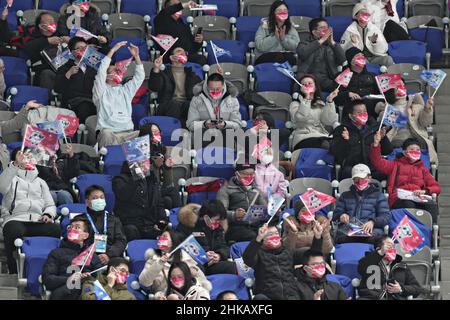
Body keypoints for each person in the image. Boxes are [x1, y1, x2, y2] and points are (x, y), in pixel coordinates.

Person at [0, 148, 60, 274]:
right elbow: (2, 187)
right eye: (22, 155)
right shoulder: (11, 177)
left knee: (55, 229)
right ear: (15, 158)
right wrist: (15, 165)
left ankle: (48, 268)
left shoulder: (41, 182)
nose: (27, 157)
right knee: (13, 230)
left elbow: (50, 204)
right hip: (15, 219)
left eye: (30, 155)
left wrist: (48, 214)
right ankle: (13, 269)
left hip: (37, 220)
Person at [371, 135, 441, 222]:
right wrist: (376, 145)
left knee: (432, 205)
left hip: (418, 198)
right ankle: (411, 232)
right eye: (411, 149)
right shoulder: (395, 165)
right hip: (398, 198)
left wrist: (424, 191)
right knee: (409, 204)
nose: (415, 152)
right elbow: (378, 163)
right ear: (404, 152)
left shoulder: (423, 170)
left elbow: (436, 188)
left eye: (418, 150)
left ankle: (430, 233)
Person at [93, 41, 144, 148]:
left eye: (116, 70)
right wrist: (112, 50)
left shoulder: (126, 90)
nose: (115, 72)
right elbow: (101, 72)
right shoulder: (100, 91)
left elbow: (140, 77)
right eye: (111, 71)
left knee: (144, 134)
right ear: (106, 76)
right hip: (109, 134)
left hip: (128, 133)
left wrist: (137, 57)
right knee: (106, 134)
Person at [42, 215, 102, 300]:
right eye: (70, 227)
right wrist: (69, 279)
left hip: (88, 290)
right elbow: (48, 280)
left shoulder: (91, 255)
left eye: (77, 227)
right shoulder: (56, 253)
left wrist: (89, 277)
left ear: (85, 235)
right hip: (65, 293)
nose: (72, 229)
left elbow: (101, 279)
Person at [330, 99, 393, 180]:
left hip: (371, 167)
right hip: (353, 168)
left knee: (386, 173)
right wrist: (345, 141)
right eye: (359, 112)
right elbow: (336, 154)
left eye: (364, 111)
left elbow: (387, 151)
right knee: (348, 173)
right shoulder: (342, 130)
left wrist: (383, 138)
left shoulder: (374, 128)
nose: (363, 114)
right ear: (351, 116)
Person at [139, 229, 211, 295]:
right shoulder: (153, 259)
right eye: (160, 236)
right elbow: (144, 282)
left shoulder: (186, 257)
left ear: (173, 241)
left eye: (164, 236)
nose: (160, 238)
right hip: (166, 295)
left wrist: (194, 271)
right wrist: (159, 263)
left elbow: (202, 281)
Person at [375, 88, 437, 164]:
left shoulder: (416, 106)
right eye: (397, 87)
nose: (401, 88)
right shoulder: (386, 109)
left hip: (416, 142)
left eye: (402, 85)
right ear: (391, 91)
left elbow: (425, 123)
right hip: (396, 145)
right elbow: (384, 128)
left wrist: (427, 109)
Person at [332, 164, 391, 243]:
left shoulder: (379, 196)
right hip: (349, 232)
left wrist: (373, 222)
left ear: (369, 178)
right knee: (341, 238)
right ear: (353, 180)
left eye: (363, 178)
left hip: (371, 232)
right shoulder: (345, 196)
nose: (359, 181)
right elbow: (336, 214)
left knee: (377, 241)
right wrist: (341, 215)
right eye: (356, 179)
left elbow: (386, 216)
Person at [112, 161, 168, 241]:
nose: (144, 165)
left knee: (168, 232)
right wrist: (136, 176)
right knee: (130, 231)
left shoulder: (151, 179)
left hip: (150, 223)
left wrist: (162, 221)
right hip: (130, 223)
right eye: (140, 163)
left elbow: (159, 204)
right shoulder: (119, 179)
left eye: (146, 162)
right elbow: (123, 194)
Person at [242, 222, 300, 300]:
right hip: (268, 297)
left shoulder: (286, 251)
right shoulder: (258, 253)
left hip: (291, 296)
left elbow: (313, 256)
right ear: (263, 238)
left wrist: (294, 232)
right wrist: (258, 239)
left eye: (276, 233)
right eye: (270, 234)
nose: (274, 236)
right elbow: (248, 259)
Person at [177, 200, 237, 275]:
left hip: (211, 263)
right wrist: (203, 255)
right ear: (206, 217)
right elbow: (180, 246)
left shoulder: (218, 228)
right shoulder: (188, 225)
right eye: (216, 220)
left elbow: (223, 246)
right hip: (193, 264)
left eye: (220, 220)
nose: (218, 223)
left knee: (234, 266)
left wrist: (219, 255)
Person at [357, 235, 424, 300]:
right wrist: (379, 254)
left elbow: (417, 289)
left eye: (394, 247)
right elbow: (361, 268)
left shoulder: (402, 266)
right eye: (389, 246)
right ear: (378, 249)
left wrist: (401, 289)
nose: (392, 249)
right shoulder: (367, 261)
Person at [149, 48, 202, 126]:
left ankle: (187, 133)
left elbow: (202, 89)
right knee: (174, 105)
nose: (182, 53)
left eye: (184, 52)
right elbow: (154, 87)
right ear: (172, 57)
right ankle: (173, 131)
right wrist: (156, 68)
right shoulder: (164, 73)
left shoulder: (192, 74)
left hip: (186, 104)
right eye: (179, 51)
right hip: (168, 104)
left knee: (189, 105)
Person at [216, 162, 267, 243]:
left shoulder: (256, 189)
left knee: (270, 233)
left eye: (252, 174)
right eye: (245, 174)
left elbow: (265, 208)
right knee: (254, 237)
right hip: (234, 226)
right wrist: (234, 214)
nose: (249, 177)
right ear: (237, 174)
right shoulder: (226, 190)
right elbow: (219, 212)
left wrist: (272, 210)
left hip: (255, 224)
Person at [54, 37, 98, 123]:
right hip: (74, 102)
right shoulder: (64, 68)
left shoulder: (94, 67)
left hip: (93, 100)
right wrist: (68, 74)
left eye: (85, 48)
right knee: (84, 108)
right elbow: (57, 88)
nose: (83, 50)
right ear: (71, 52)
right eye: (79, 48)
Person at [289, 74, 339, 150]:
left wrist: (329, 101)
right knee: (326, 146)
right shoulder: (295, 104)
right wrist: (307, 98)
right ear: (300, 88)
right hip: (303, 137)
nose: (307, 85)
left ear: (315, 87)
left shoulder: (320, 103)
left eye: (310, 83)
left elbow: (329, 121)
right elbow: (301, 119)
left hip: (321, 136)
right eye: (304, 84)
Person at [81, 185, 127, 265]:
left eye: (102, 197)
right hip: (88, 257)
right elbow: (78, 242)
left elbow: (121, 241)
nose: (99, 200)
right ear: (87, 202)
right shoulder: (80, 220)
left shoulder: (114, 219)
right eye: (95, 198)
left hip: (111, 257)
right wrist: (95, 257)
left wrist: (108, 255)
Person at [138, 123, 182, 209]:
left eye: (158, 132)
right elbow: (141, 179)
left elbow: (167, 183)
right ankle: (180, 216)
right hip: (142, 192)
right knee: (171, 194)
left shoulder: (160, 150)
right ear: (147, 134)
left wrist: (166, 167)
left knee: (168, 199)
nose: (158, 134)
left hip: (157, 190)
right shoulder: (137, 151)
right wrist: (154, 166)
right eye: (154, 132)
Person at [296, 18, 346, 92]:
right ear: (314, 32)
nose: (326, 30)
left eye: (327, 27)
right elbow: (302, 53)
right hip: (309, 79)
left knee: (345, 87)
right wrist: (321, 40)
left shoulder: (332, 45)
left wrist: (332, 43)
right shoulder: (304, 44)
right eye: (322, 28)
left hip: (328, 80)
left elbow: (343, 60)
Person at [187, 73, 242, 140]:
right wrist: (204, 124)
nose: (215, 92)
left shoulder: (233, 100)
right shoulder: (196, 100)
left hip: (226, 136)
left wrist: (225, 124)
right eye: (212, 89)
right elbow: (190, 125)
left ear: (223, 86)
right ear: (207, 87)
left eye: (218, 89)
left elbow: (238, 125)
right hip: (204, 136)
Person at [24, 12, 70, 90]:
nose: (52, 23)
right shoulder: (34, 37)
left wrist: (70, 42)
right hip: (44, 70)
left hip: (63, 70)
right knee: (47, 73)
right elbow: (28, 48)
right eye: (49, 21)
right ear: (41, 26)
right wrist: (47, 41)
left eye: (53, 21)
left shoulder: (60, 35)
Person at [153, 0, 206, 65]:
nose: (179, 7)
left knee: (202, 59)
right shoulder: (161, 19)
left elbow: (193, 48)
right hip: (171, 57)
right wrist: (185, 5)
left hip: (187, 56)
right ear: (168, 8)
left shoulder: (184, 26)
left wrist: (198, 42)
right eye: (175, 5)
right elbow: (166, 12)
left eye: (179, 4)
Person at [340, 3, 394, 67]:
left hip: (374, 57)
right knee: (363, 61)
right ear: (356, 16)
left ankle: (387, 76)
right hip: (360, 59)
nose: (365, 15)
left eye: (367, 14)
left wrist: (374, 42)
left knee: (388, 59)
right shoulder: (350, 30)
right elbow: (342, 50)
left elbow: (384, 49)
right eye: (362, 13)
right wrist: (352, 43)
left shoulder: (374, 29)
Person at [335, 47, 382, 118]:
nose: (361, 57)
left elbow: (381, 93)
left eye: (362, 56)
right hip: (353, 105)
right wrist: (348, 94)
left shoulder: (372, 76)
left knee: (381, 105)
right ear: (351, 61)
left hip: (372, 104)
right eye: (358, 56)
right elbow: (335, 97)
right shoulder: (343, 76)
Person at [254, 0, 300, 66]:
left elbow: (296, 46)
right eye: (279, 10)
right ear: (274, 12)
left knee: (290, 58)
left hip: (286, 57)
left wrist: (283, 39)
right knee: (279, 57)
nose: (282, 12)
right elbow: (260, 46)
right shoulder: (264, 27)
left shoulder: (291, 28)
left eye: (285, 10)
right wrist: (275, 37)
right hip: (267, 57)